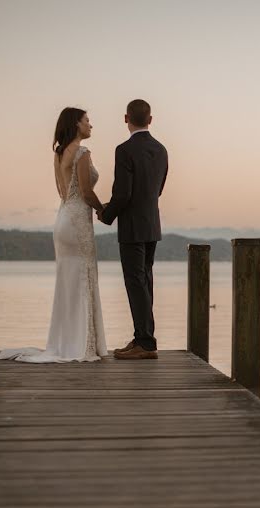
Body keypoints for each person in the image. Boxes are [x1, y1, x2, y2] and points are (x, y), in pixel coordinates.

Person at [0, 107, 108, 362]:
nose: (91, 125)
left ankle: (66, 342)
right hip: (78, 221)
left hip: (63, 219)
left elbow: (63, 192)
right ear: (76, 124)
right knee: (84, 277)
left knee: (68, 282)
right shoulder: (81, 152)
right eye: (87, 121)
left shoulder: (59, 154)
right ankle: (82, 345)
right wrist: (103, 211)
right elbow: (86, 191)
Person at [97, 99, 169, 360]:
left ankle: (146, 344)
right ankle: (142, 337)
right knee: (145, 281)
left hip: (132, 226)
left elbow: (123, 193)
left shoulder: (124, 150)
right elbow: (157, 189)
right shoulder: (161, 150)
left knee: (135, 282)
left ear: (126, 118)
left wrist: (106, 215)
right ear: (150, 119)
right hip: (151, 223)